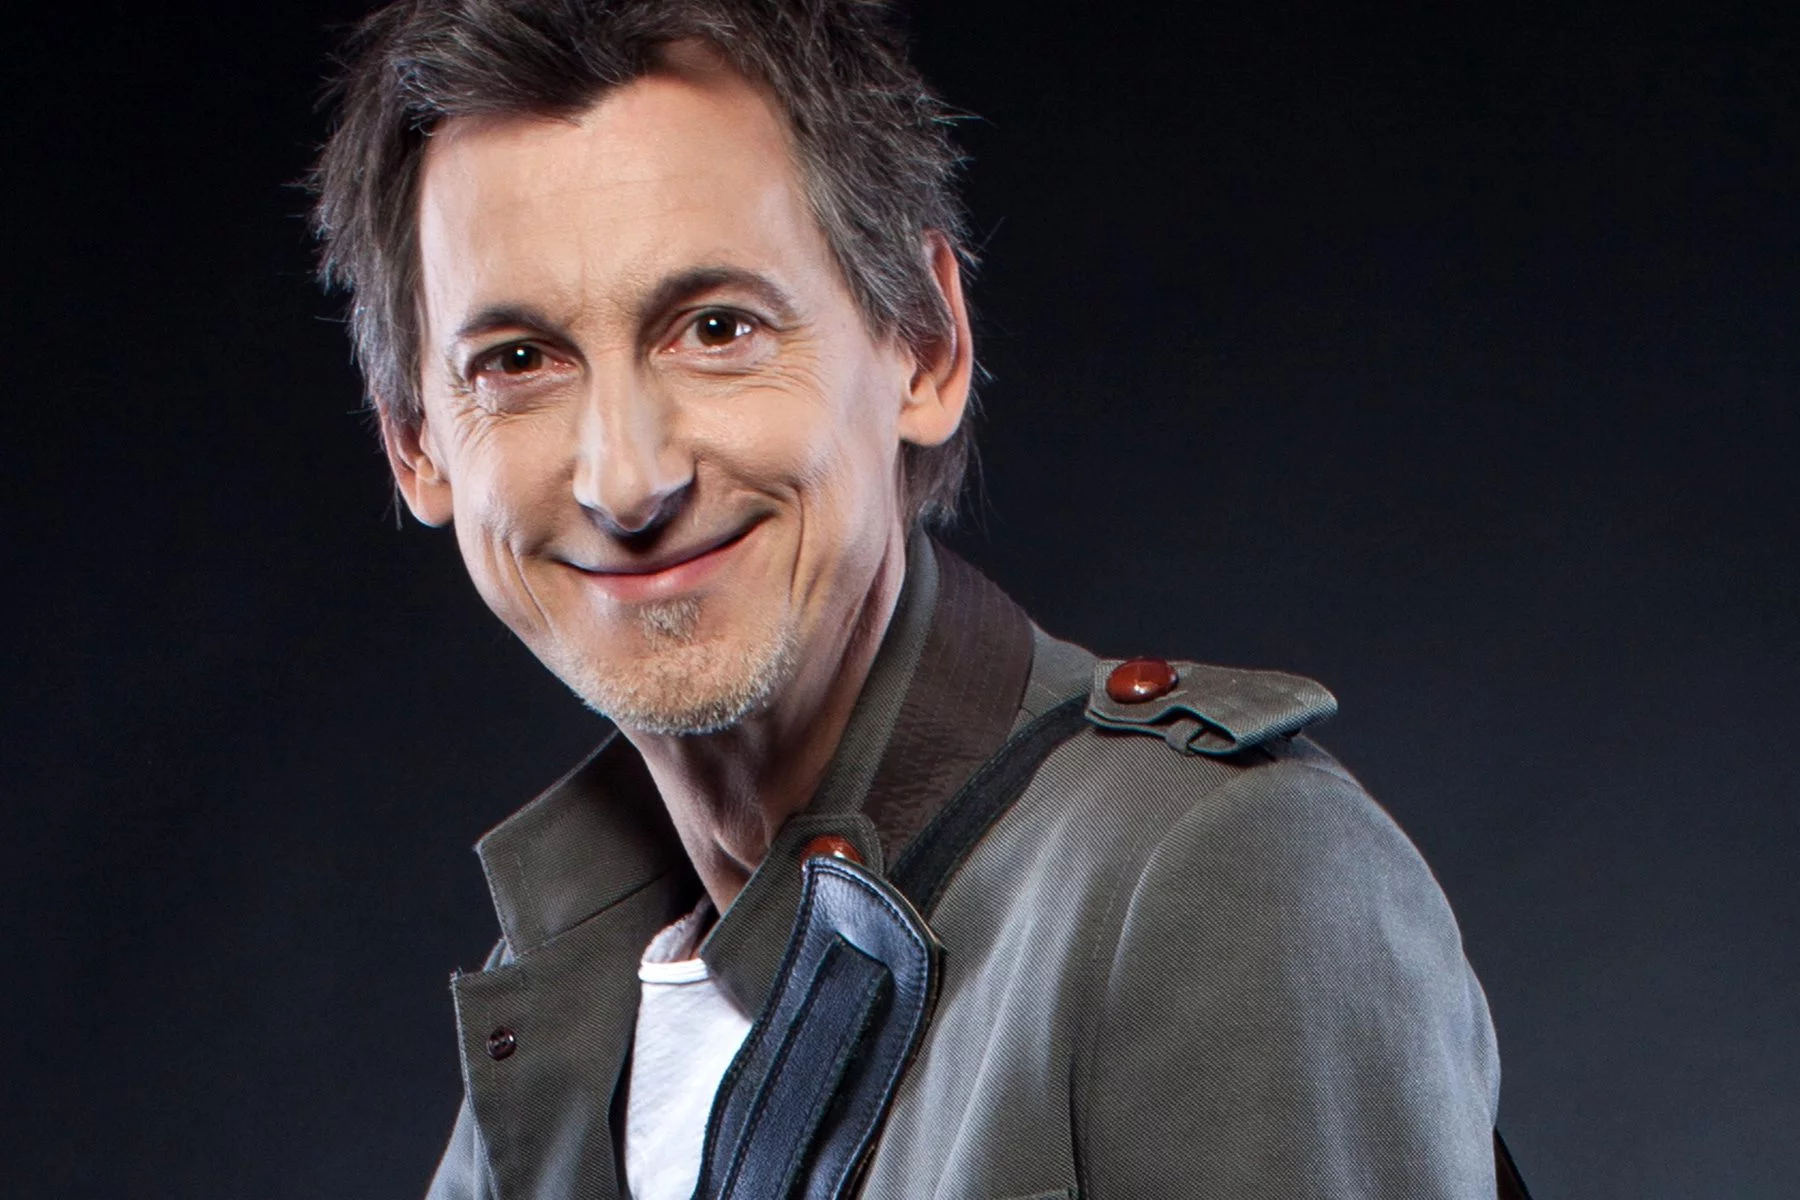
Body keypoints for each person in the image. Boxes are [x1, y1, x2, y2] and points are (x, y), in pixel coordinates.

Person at [310, 1, 1508, 1197]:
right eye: (517, 362)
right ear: (414, 443)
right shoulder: (570, 1005)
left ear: (924, 344)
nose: (627, 479)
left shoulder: (1209, 876)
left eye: (717, 328)